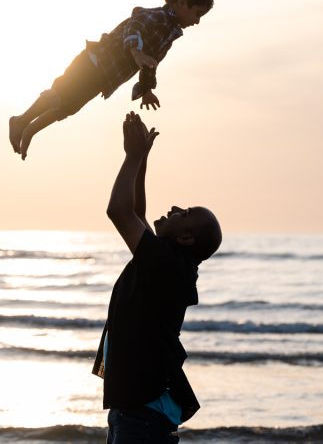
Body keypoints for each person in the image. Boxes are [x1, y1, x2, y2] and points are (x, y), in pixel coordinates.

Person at [94, 112, 222, 443]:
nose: (176, 207)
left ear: (186, 238)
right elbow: (136, 212)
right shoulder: (170, 263)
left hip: (143, 411)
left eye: (185, 214)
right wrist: (141, 160)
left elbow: (119, 212)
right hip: (140, 407)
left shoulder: (166, 264)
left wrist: (133, 157)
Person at [8, 0, 214, 159]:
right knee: (58, 94)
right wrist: (136, 52)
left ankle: (30, 130)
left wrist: (147, 90)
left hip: (104, 78)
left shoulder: (170, 34)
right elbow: (133, 28)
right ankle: (21, 120)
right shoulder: (154, 16)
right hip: (93, 62)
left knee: (67, 108)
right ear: (182, 2)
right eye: (197, 13)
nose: (197, 21)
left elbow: (151, 64)